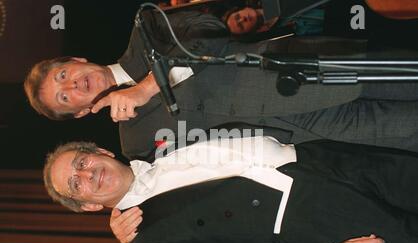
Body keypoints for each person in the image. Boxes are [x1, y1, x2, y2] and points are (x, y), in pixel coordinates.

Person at [42, 127, 418, 243]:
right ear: (89, 205)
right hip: (324, 223)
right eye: (77, 184)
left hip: (327, 160)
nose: (87, 174)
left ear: (100, 152)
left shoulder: (161, 146)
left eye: (82, 161)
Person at [25, 9, 418, 158]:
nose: (75, 85)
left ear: (76, 59)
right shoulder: (135, 143)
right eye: (65, 96)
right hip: (307, 131)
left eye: (65, 75)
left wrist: (147, 86)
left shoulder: (145, 30)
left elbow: (209, 31)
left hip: (304, 68)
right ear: (78, 113)